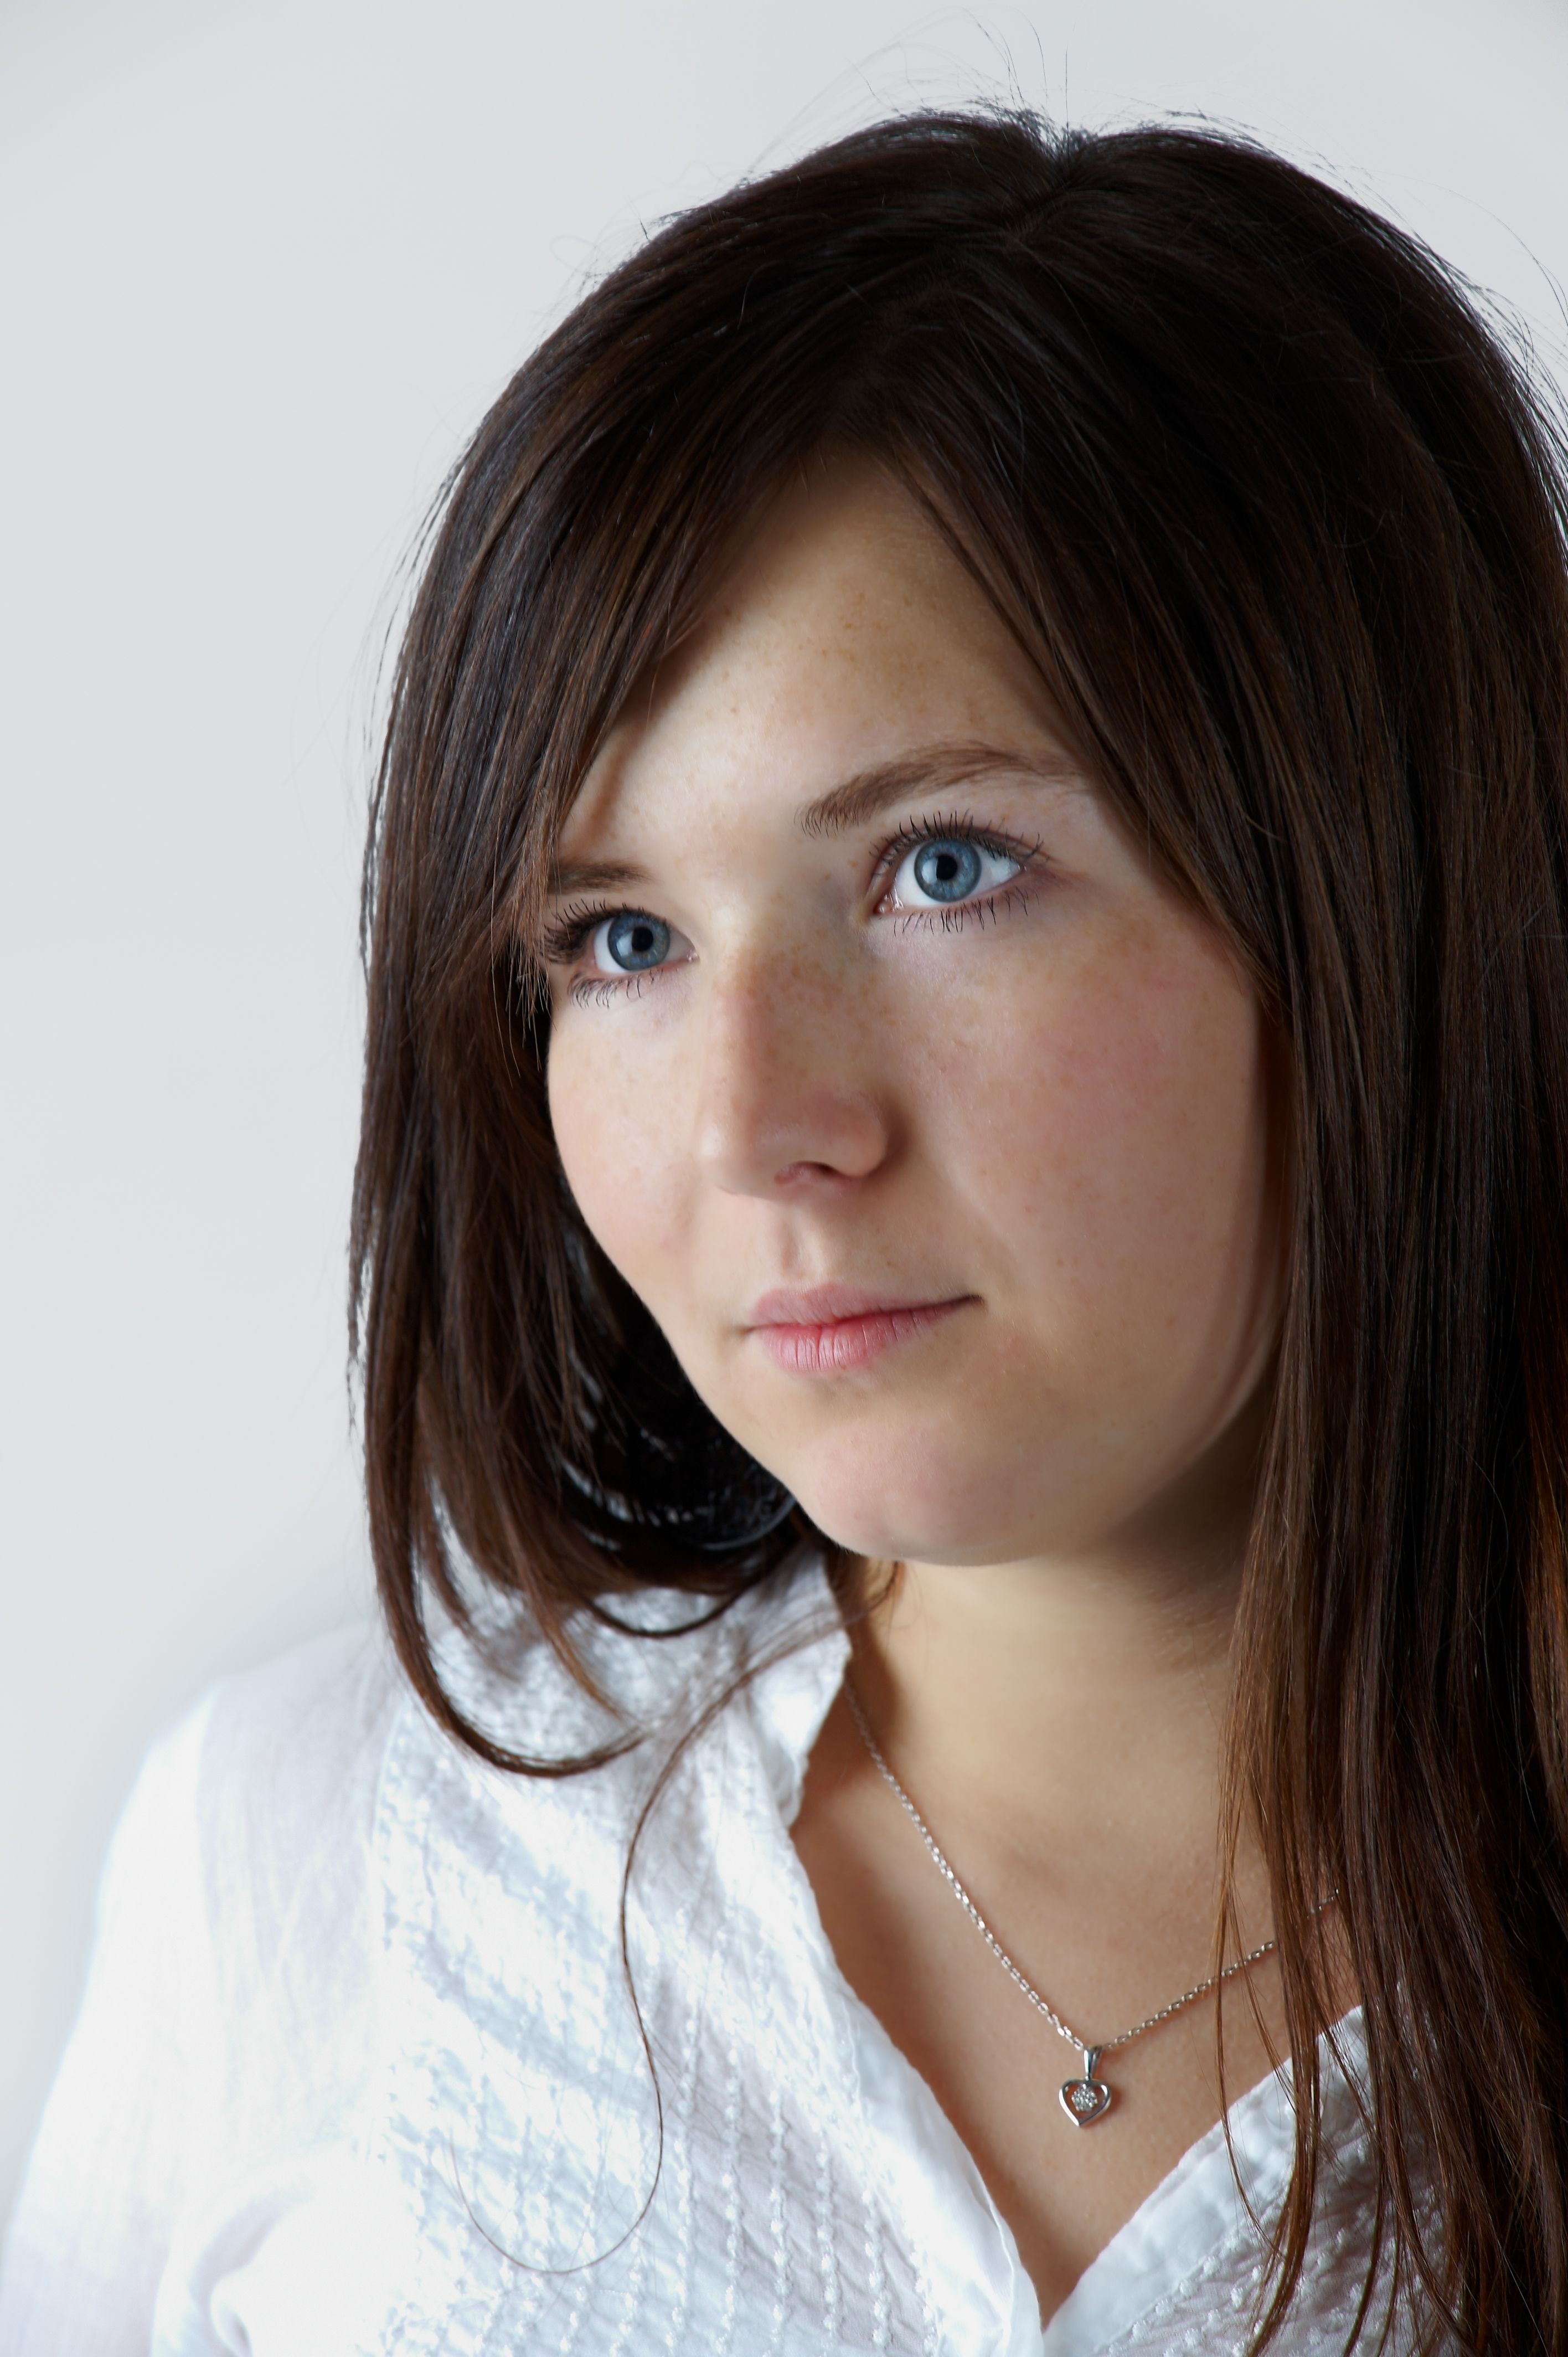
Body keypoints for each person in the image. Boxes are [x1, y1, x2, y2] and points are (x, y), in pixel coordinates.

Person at [5, 105, 1568, 2357]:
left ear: (1388, 891)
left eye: (943, 868)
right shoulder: (315, 1853)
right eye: (620, 936)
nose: (756, 1124)